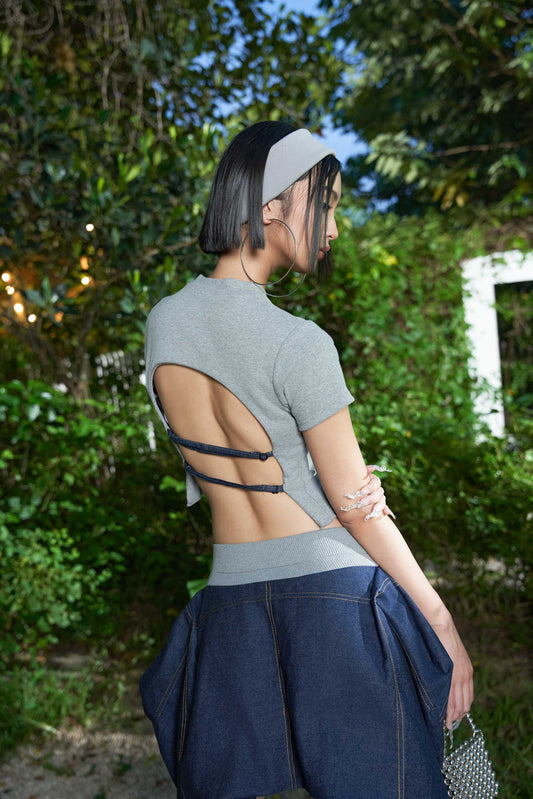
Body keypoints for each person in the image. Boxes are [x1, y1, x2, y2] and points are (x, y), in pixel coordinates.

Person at [139, 121, 473, 799]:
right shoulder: (299, 341)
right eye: (326, 204)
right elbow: (355, 507)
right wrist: (441, 623)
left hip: (227, 605)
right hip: (337, 601)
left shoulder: (163, 324)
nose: (334, 228)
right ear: (271, 205)